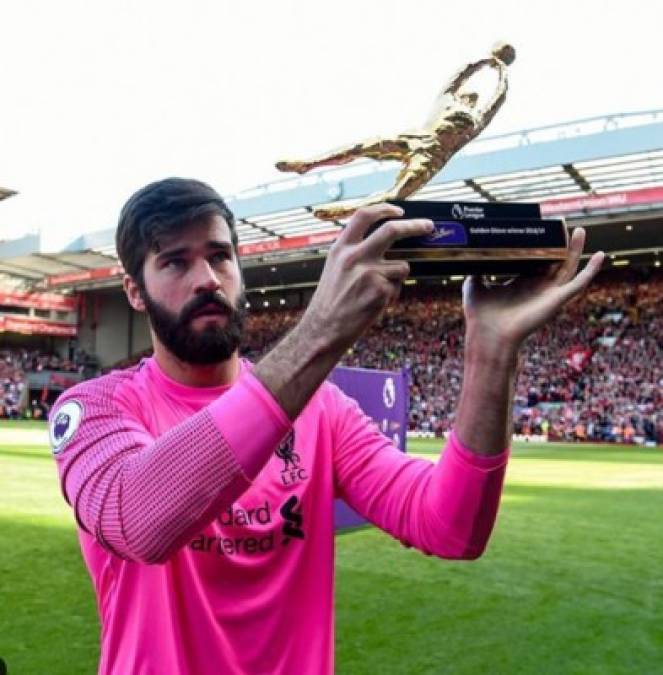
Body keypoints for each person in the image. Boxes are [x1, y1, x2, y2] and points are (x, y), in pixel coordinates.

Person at [49, 177, 604, 675]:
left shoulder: (323, 410)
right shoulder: (96, 408)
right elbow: (139, 520)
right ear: (133, 291)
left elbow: (451, 526)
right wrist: (323, 329)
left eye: (220, 256)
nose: (207, 279)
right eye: (174, 262)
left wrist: (491, 351)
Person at [276, 42, 515, 220]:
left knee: (398, 194)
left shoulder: (476, 120)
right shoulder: (446, 100)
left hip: (434, 156)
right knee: (360, 147)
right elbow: (460, 75)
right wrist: (486, 61)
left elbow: (497, 99)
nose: (471, 99)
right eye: (468, 96)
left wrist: (503, 72)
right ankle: (308, 164)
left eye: (474, 99)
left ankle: (348, 210)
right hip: (416, 137)